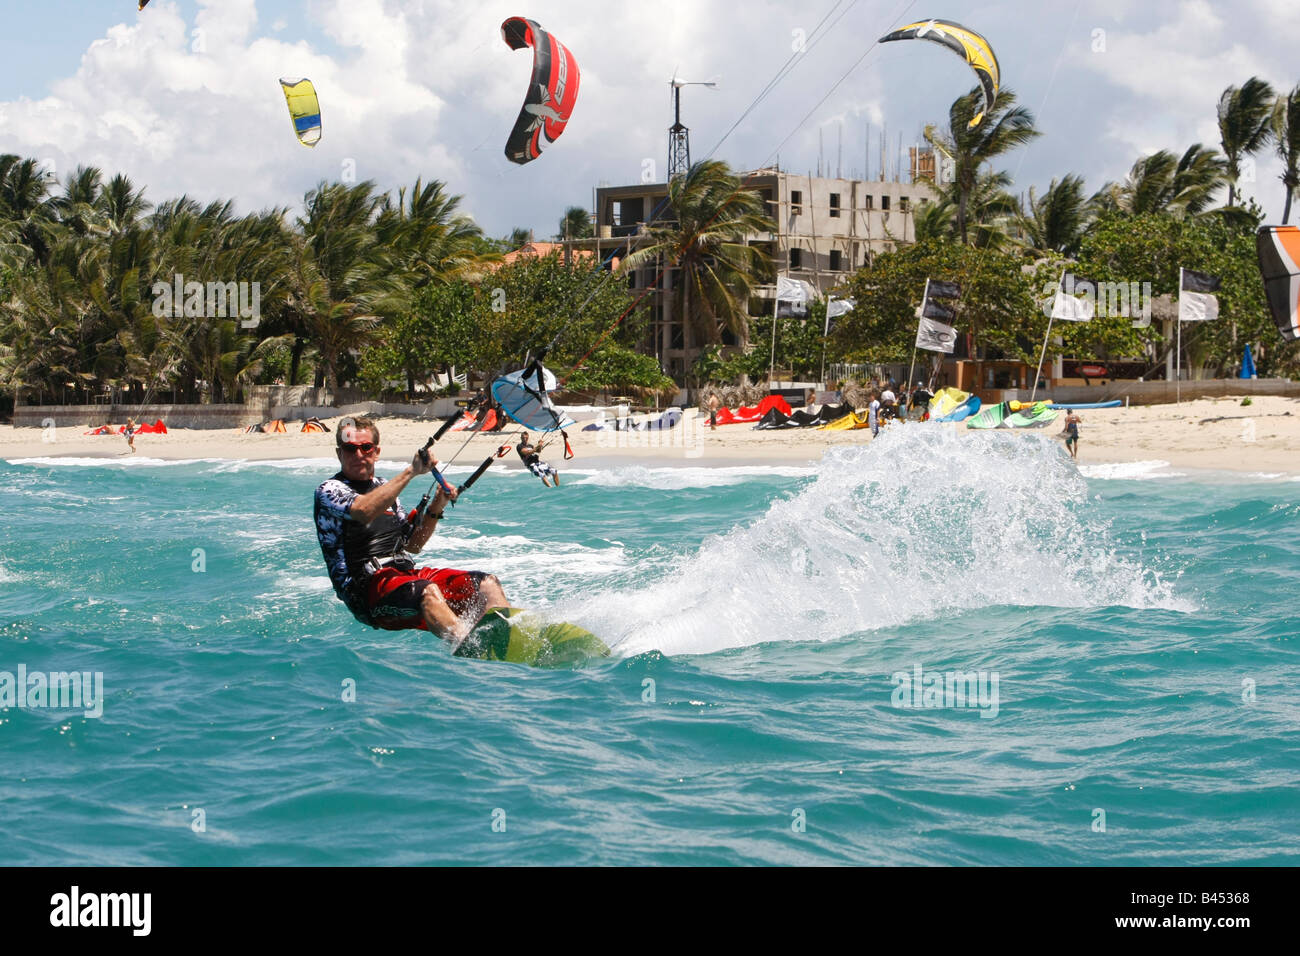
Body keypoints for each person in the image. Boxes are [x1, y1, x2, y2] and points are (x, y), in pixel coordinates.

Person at [314, 416, 509, 643]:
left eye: (365, 448)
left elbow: (413, 545)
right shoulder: (329, 490)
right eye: (350, 449)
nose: (358, 455)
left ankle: (508, 633)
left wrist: (437, 505)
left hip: (403, 575)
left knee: (486, 584)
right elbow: (363, 510)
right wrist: (411, 471)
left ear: (376, 452)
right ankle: (472, 646)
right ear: (339, 453)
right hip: (366, 592)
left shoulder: (385, 488)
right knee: (428, 592)